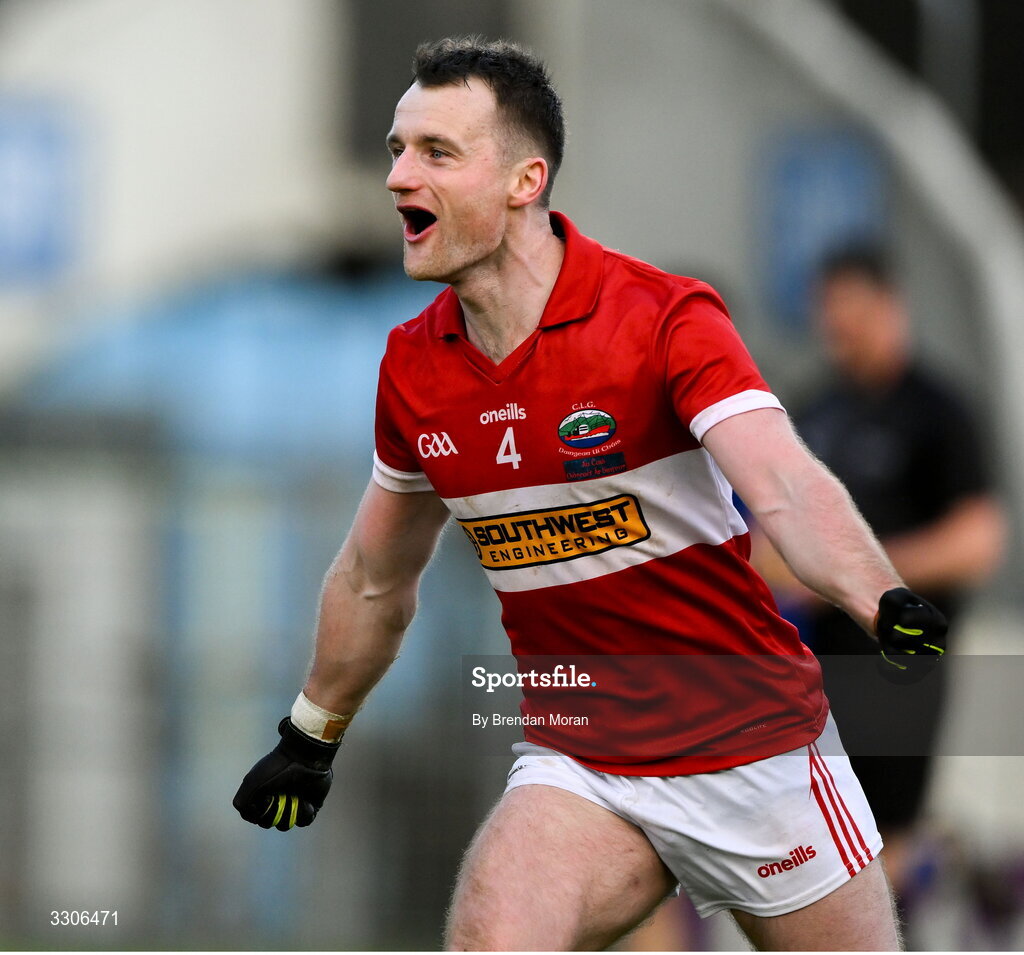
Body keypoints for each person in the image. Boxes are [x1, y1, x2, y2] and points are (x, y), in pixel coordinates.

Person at [233, 37, 948, 951]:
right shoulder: (413, 368)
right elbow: (376, 578)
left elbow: (781, 479)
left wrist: (877, 597)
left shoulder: (662, 318)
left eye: (436, 153)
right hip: (585, 761)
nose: (398, 176)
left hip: (756, 752)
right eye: (396, 149)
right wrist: (309, 734)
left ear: (525, 181)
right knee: (491, 935)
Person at [765, 245, 1005, 900]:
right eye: (828, 317)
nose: (838, 332)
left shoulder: (937, 410)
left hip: (906, 655)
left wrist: (861, 573)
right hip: (819, 659)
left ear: (888, 305)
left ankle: (926, 880)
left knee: (882, 841)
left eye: (851, 314)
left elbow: (978, 539)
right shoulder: (815, 410)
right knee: (814, 838)